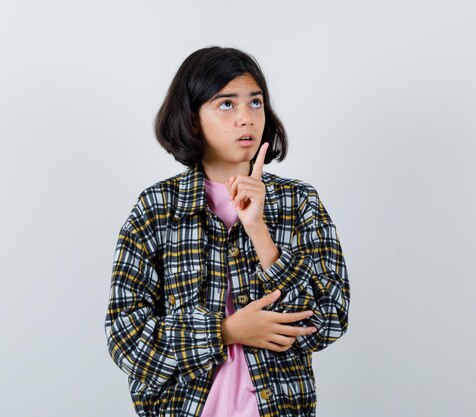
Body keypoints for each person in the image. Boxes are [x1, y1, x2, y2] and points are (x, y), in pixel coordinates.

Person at [104, 46, 350, 417]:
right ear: (192, 119)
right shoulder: (157, 208)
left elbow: (330, 320)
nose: (246, 118)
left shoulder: (299, 202)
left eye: (255, 103)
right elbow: (126, 339)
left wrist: (259, 231)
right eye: (226, 105)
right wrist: (226, 332)